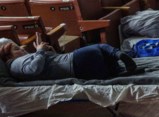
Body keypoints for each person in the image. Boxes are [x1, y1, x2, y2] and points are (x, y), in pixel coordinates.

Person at [1, 40, 138, 81]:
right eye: (17, 48)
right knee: (99, 47)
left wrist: (48, 52)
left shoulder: (19, 63)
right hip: (76, 63)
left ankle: (119, 67)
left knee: (107, 64)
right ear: (8, 56)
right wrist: (40, 51)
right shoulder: (15, 65)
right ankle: (119, 54)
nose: (23, 50)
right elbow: (34, 69)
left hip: (83, 69)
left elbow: (45, 66)